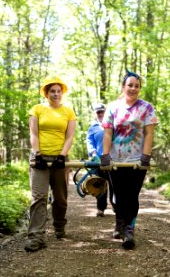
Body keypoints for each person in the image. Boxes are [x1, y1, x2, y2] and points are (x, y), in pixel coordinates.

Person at [100, 70, 158, 250]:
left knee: (132, 196)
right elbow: (108, 133)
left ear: (140, 89)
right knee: (117, 196)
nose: (133, 88)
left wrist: (146, 156)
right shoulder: (113, 107)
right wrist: (105, 155)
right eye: (130, 85)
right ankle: (120, 221)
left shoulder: (147, 107)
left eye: (137, 86)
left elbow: (149, 133)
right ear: (123, 87)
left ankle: (129, 229)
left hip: (136, 160)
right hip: (116, 161)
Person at [25, 76, 77, 252]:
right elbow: (34, 133)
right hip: (40, 159)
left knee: (60, 198)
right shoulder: (37, 109)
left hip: (60, 159)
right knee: (39, 197)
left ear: (62, 93)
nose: (56, 94)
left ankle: (59, 225)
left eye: (58, 91)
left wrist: (62, 156)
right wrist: (37, 154)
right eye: (52, 91)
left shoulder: (68, 112)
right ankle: (36, 236)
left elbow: (70, 136)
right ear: (46, 93)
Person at [86, 103, 111, 217]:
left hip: (113, 158)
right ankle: (101, 208)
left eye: (102, 111)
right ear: (96, 114)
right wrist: (93, 153)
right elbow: (89, 142)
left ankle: (117, 206)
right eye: (98, 112)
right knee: (100, 185)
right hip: (98, 159)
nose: (100, 114)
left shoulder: (113, 124)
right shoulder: (93, 127)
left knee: (115, 185)